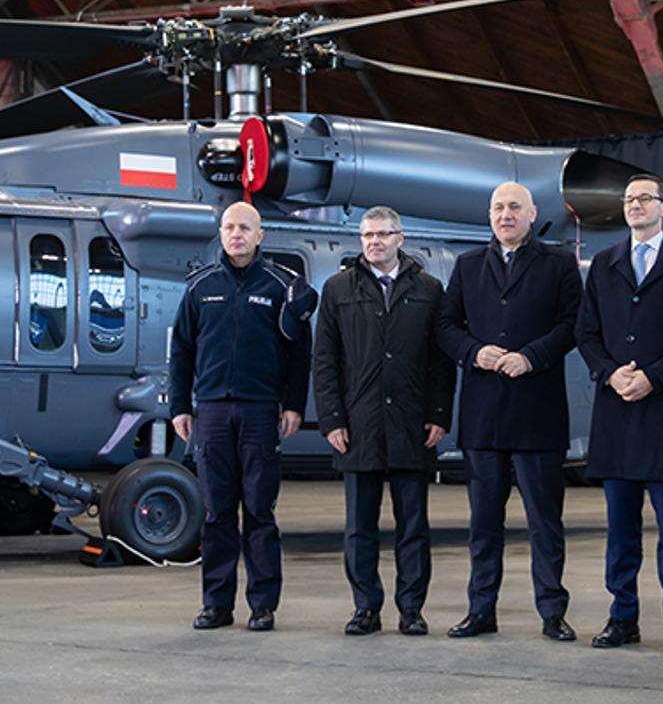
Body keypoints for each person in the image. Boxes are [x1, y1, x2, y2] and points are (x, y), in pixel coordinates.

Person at [576, 173, 663, 655]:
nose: (635, 205)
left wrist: (654, 377)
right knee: (620, 530)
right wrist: (611, 374)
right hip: (616, 413)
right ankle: (623, 617)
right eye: (629, 198)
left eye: (644, 198)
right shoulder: (604, 264)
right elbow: (586, 334)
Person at [435, 181, 582, 642]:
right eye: (498, 207)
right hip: (483, 417)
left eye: (514, 207)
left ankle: (553, 612)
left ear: (532, 213)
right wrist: (473, 352)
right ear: (489, 215)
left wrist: (532, 356)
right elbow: (445, 326)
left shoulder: (558, 263)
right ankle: (481, 611)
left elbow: (573, 324)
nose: (505, 214)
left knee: (545, 524)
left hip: (538, 415)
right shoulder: (468, 265)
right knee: (483, 526)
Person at [170, 201, 316, 633]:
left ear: (260, 235)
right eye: (229, 227)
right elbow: (181, 350)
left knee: (259, 510)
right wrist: (180, 406)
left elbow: (299, 353)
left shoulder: (280, 286)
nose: (236, 234)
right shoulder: (200, 287)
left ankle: (263, 604)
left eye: (245, 227)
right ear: (221, 232)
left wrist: (293, 405)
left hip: (259, 410)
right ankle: (216, 604)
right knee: (216, 513)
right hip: (211, 411)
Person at [312, 206, 455, 637]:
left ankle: (411, 609)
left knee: (414, 526)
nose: (374, 241)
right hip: (358, 426)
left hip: (413, 424)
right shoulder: (337, 289)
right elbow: (325, 361)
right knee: (359, 527)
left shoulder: (429, 290)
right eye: (367, 235)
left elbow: (441, 362)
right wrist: (332, 420)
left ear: (401, 238)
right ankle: (365, 608)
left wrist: (439, 415)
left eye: (382, 234)